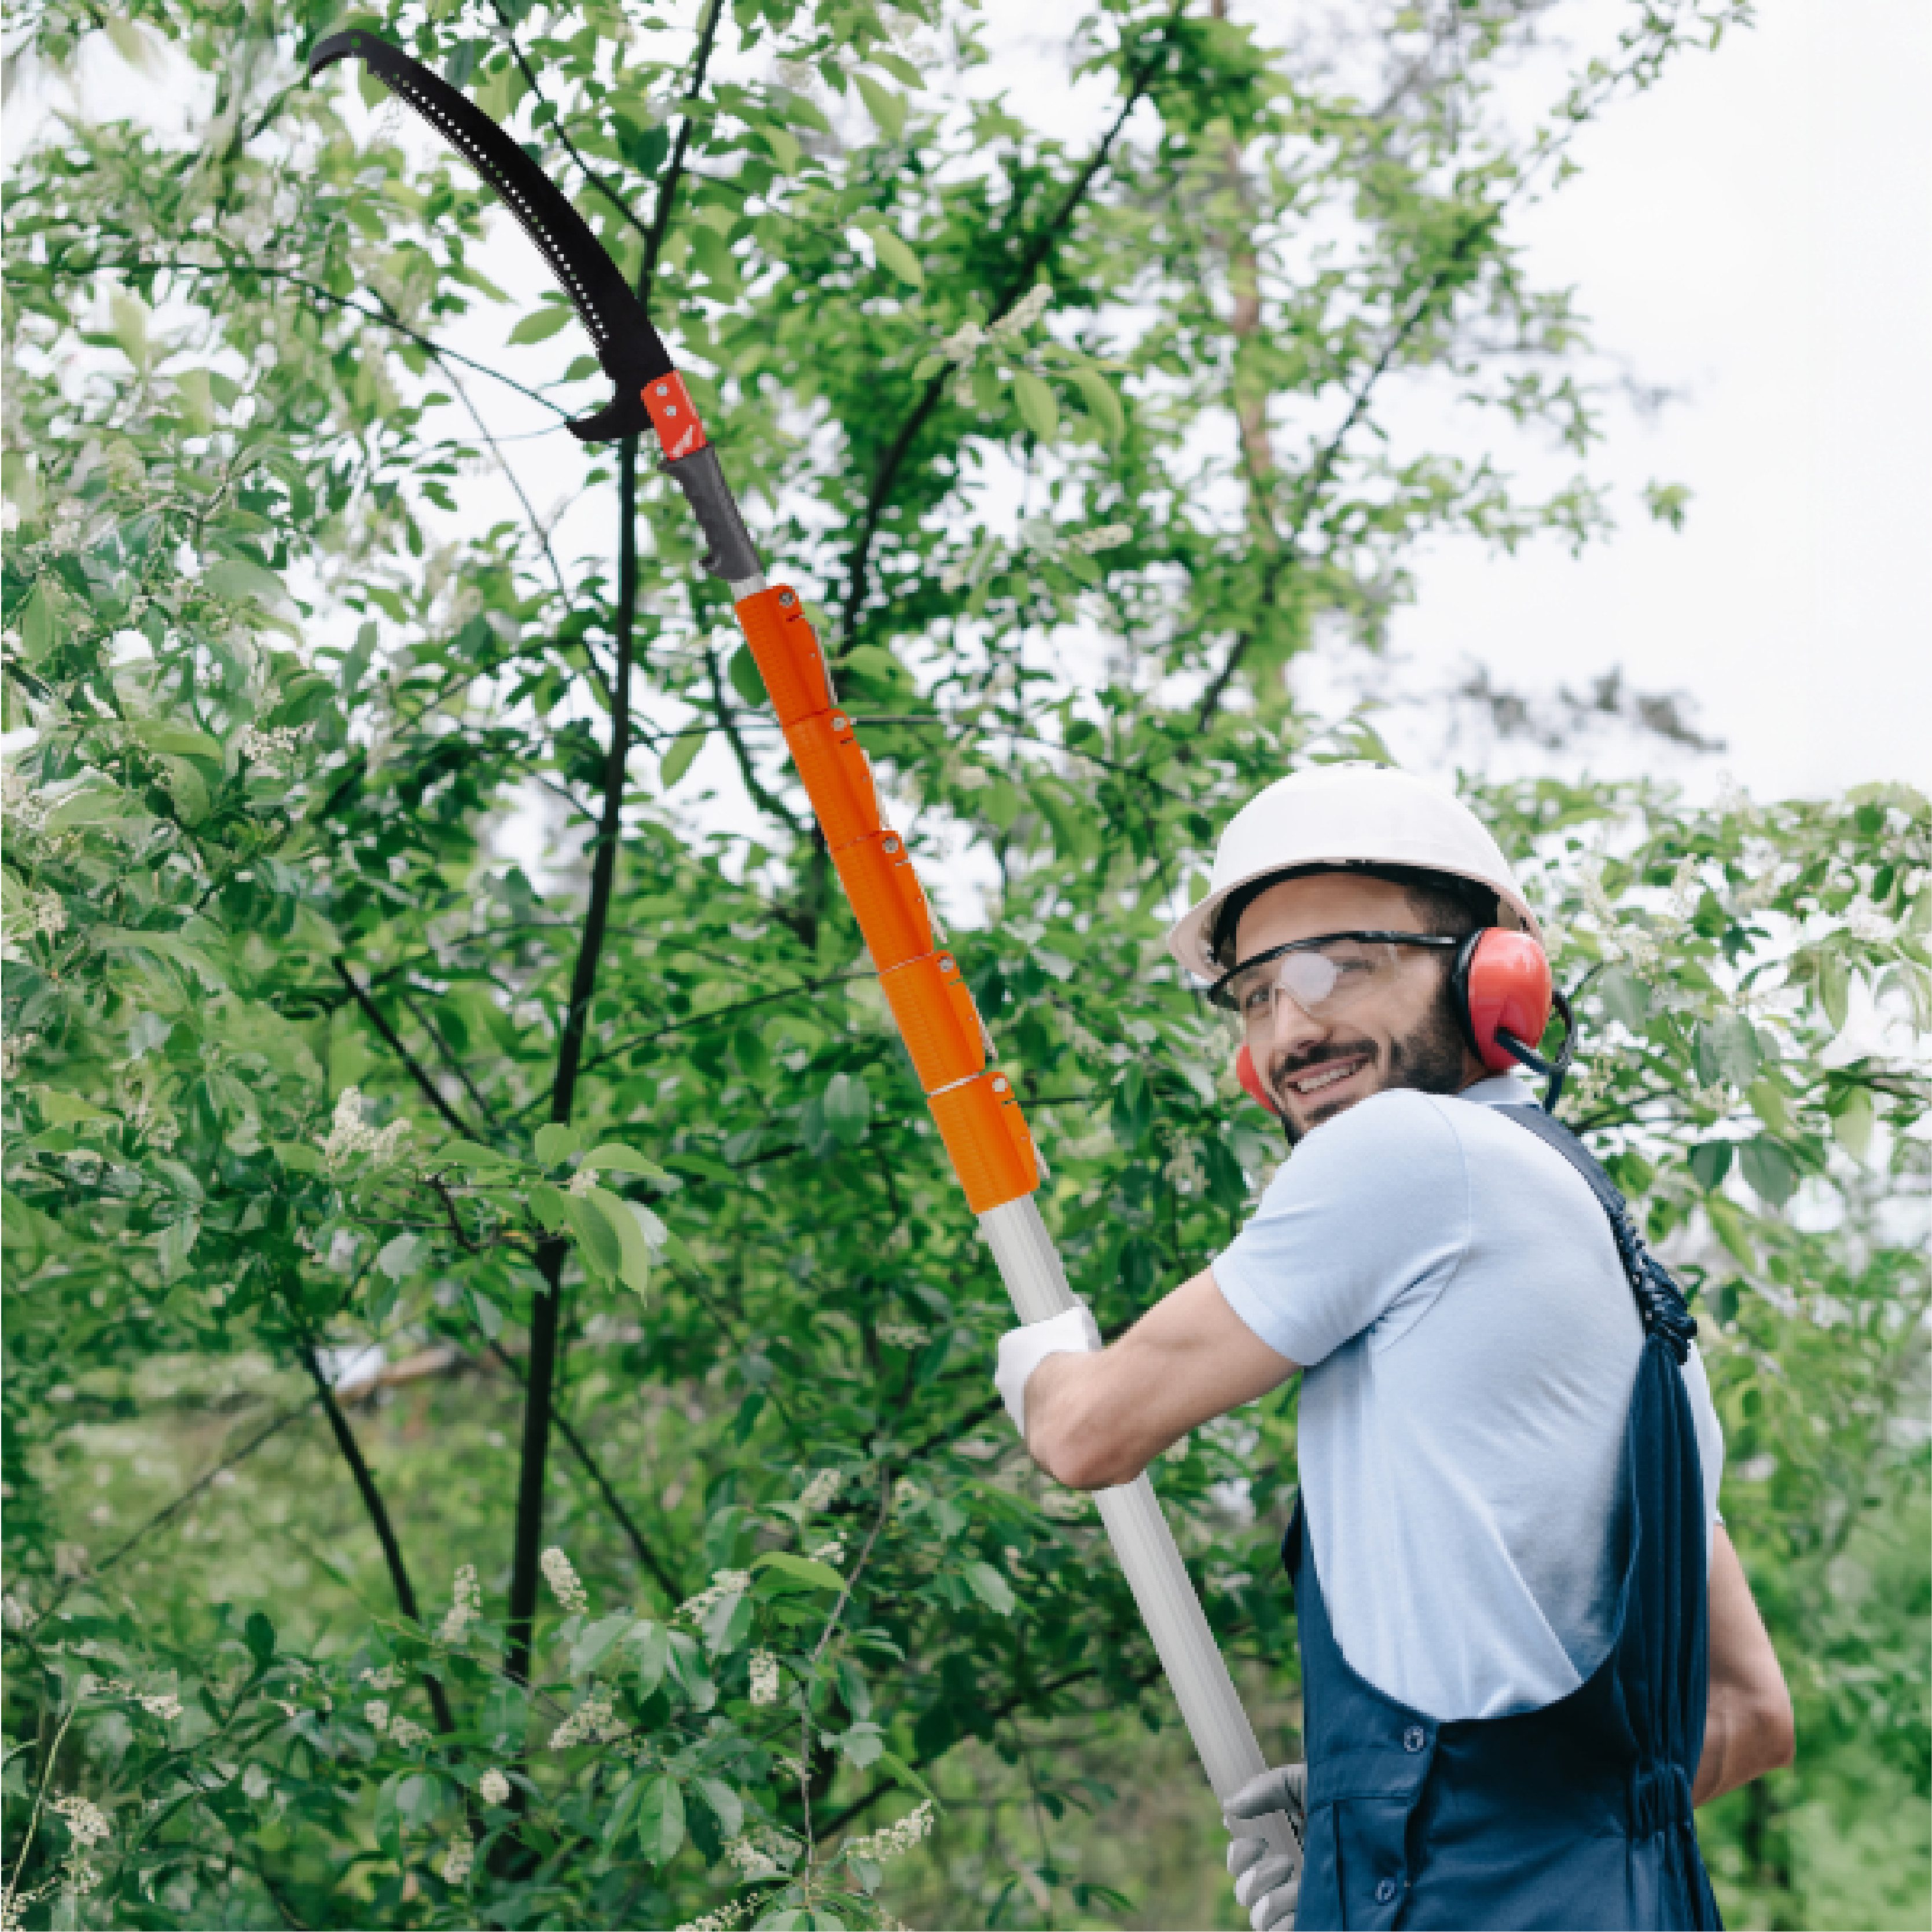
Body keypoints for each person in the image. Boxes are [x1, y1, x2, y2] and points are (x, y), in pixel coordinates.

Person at [993, 765, 1793, 1931]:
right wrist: (1378, 1836)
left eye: (1337, 967)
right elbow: (1744, 1715)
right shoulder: (1633, 1289)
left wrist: (1030, 1358)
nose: (1291, 1029)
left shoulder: (1408, 1152)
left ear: (1490, 971)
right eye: (1256, 995)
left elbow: (1083, 1429)